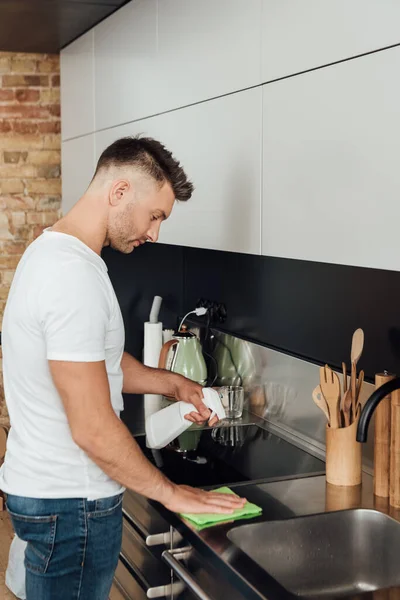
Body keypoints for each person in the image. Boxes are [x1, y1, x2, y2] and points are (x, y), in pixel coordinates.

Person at [0, 136, 245, 600]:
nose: (155, 233)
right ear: (119, 192)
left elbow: (101, 364)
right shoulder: (71, 276)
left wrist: (173, 383)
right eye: (155, 215)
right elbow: (92, 427)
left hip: (52, 495)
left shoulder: (56, 255)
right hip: (73, 504)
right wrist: (171, 493)